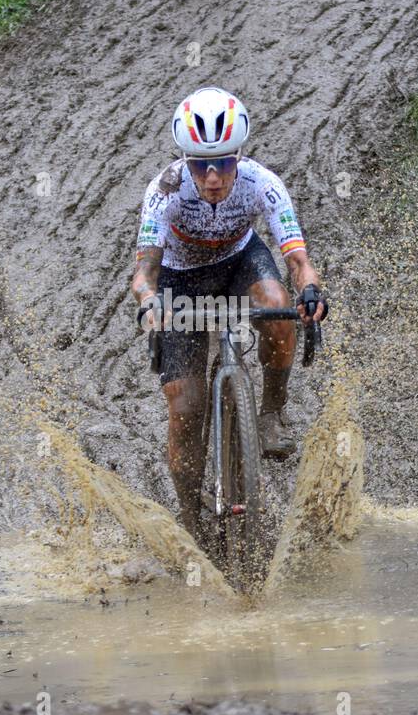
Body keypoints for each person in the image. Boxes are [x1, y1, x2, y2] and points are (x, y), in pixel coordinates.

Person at [130, 86, 328, 540]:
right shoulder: (165, 191)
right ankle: (190, 517)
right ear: (186, 160)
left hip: (240, 262)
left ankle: (272, 412)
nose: (214, 176)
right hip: (180, 278)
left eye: (224, 163)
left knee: (278, 307)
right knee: (186, 405)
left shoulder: (263, 182)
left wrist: (311, 289)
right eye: (201, 164)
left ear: (240, 156)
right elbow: (144, 272)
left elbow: (297, 259)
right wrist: (150, 304)